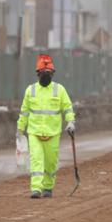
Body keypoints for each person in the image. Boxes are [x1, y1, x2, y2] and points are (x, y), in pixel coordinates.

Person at [17, 54, 76, 199]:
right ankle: (36, 189)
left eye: (48, 73)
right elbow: (24, 111)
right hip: (34, 132)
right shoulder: (30, 90)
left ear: (53, 74)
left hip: (53, 132)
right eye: (43, 73)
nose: (46, 75)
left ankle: (48, 187)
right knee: (36, 160)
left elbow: (67, 107)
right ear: (38, 74)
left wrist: (70, 122)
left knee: (50, 162)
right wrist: (20, 129)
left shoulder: (59, 90)